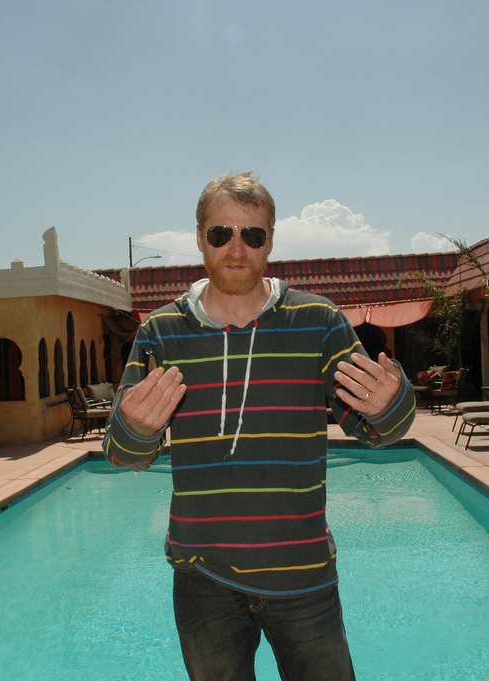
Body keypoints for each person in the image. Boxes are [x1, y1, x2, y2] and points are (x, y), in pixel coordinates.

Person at [104, 171, 415, 681]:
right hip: (203, 580)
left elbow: (380, 431)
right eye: (220, 233)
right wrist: (135, 429)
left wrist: (389, 404)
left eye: (252, 234)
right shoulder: (160, 332)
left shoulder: (318, 322)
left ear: (270, 241)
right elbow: (122, 453)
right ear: (199, 237)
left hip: (303, 575)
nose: (236, 248)